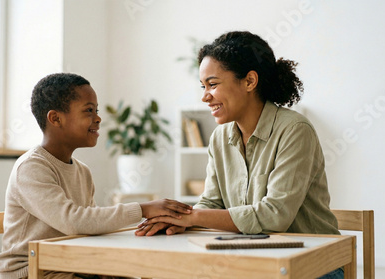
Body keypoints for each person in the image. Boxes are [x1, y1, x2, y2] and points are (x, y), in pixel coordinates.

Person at [135, 31, 342, 279]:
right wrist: (176, 219)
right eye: (203, 86)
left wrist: (190, 217)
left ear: (249, 81)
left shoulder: (295, 130)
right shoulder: (219, 138)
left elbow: (274, 216)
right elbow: (211, 203)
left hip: (312, 265)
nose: (205, 96)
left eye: (213, 84)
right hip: (252, 261)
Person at [0, 73, 192, 279]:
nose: (98, 118)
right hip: (33, 271)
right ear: (55, 118)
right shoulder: (31, 167)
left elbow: (91, 224)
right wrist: (143, 209)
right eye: (89, 110)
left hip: (70, 263)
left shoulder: (82, 171)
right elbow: (73, 221)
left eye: (96, 111)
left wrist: (149, 225)